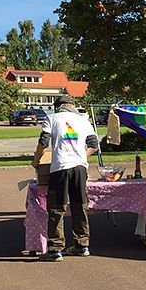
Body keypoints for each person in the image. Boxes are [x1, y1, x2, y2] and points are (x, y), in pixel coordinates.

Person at [31, 95, 99, 261]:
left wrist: (36, 160)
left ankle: (55, 249)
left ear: (57, 107)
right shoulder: (83, 120)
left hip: (60, 168)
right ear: (73, 106)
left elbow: (44, 141)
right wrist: (81, 155)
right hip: (80, 168)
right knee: (80, 206)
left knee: (56, 207)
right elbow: (94, 145)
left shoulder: (51, 118)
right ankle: (82, 245)